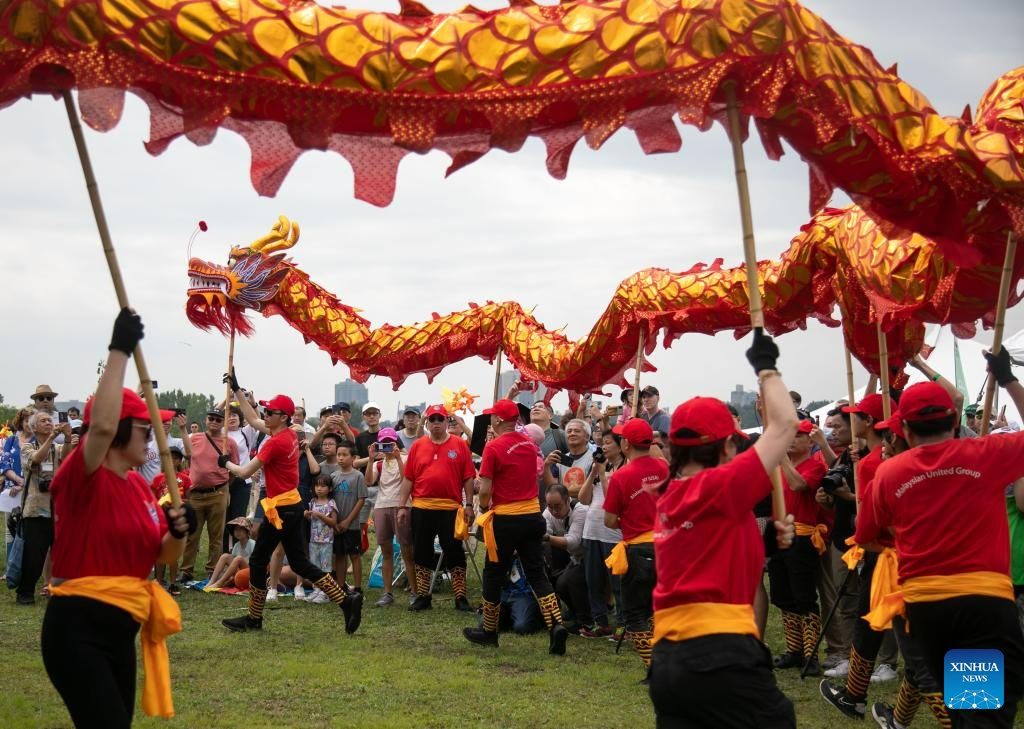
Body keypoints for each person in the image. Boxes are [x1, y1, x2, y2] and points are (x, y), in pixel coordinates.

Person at [853, 351, 1024, 729]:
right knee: (983, 714)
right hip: (982, 603)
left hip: (927, 608)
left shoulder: (888, 473)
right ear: (955, 420)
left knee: (967, 709)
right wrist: (1008, 379)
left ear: (905, 429)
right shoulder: (986, 453)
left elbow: (865, 535)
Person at [41, 309, 191, 728]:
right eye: (145, 428)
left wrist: (179, 530)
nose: (152, 437)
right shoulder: (83, 475)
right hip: (77, 631)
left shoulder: (139, 487)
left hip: (120, 633)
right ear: (120, 431)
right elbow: (101, 427)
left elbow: (164, 555)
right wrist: (119, 349)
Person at [648, 329, 797, 727]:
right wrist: (766, 368)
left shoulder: (669, 498)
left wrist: (767, 539)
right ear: (727, 446)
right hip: (719, 654)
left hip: (669, 659)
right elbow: (785, 424)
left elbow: (710, 545)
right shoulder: (720, 486)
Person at [219, 373, 363, 634]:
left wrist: (225, 462)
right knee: (298, 563)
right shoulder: (287, 435)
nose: (265, 415)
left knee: (258, 559)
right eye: (266, 410)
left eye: (270, 412)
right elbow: (253, 418)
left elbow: (244, 472)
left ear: (283, 417)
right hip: (292, 506)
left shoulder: (274, 443)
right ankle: (345, 600)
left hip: (281, 510)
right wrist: (238, 390)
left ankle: (254, 618)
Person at [463, 399, 569, 655]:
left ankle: (489, 631)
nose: (490, 420)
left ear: (498, 420)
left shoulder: (493, 447)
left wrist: (484, 508)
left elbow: (485, 490)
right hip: (532, 516)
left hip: (506, 519)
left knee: (493, 574)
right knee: (537, 573)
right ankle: (555, 625)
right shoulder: (531, 445)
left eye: (492, 416)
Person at [603, 418, 668, 673]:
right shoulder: (664, 468)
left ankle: (655, 668)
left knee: (635, 616)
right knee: (660, 609)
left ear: (626, 445)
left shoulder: (621, 476)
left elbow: (609, 520)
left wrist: (629, 520)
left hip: (639, 550)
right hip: (669, 547)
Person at [398, 404, 476, 612]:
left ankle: (460, 598)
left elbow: (468, 477)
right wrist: (402, 506)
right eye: (432, 419)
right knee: (421, 551)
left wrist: (469, 504)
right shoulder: (418, 446)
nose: (436, 423)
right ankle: (423, 596)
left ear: (446, 421)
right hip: (422, 507)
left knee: (454, 552)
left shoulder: (459, 445)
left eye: (440, 419)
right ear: (427, 423)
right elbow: (408, 478)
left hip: (450, 508)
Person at [767, 418, 827, 675]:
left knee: (804, 596)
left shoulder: (815, 465)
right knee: (782, 595)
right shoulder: (781, 466)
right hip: (779, 532)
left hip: (801, 535)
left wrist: (782, 459)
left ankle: (811, 654)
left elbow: (798, 485)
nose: (791, 440)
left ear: (810, 441)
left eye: (798, 436)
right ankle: (794, 650)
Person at [17, 409, 70, 604]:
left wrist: (67, 438)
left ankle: (58, 588)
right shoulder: (27, 447)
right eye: (44, 421)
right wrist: (52, 438)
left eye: (50, 420)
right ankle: (25, 593)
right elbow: (36, 459)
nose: (49, 423)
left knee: (60, 552)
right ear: (34, 427)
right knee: (34, 554)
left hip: (57, 508)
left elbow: (67, 457)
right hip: (35, 509)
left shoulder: (57, 448)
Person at [180, 408, 238, 582]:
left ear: (223, 422)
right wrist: (182, 429)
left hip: (218, 492)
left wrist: (224, 487)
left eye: (218, 419)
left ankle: (212, 569)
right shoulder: (195, 438)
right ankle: (186, 570)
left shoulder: (230, 443)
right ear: (205, 420)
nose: (214, 422)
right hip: (195, 494)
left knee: (216, 535)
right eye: (211, 418)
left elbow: (234, 469)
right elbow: (187, 456)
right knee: (192, 534)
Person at [578, 431, 624, 637]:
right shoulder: (598, 467)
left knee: (618, 583)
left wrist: (603, 475)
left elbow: (612, 501)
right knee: (593, 580)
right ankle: (600, 623)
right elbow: (583, 499)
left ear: (621, 446)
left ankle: (623, 624)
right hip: (591, 531)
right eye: (602, 444)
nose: (603, 447)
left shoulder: (624, 469)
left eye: (608, 443)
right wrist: (593, 473)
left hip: (613, 534)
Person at [366, 428, 413, 607]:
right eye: (383, 443)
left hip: (402, 505)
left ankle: (415, 592)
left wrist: (398, 457)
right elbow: (369, 481)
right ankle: (387, 593)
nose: (386, 447)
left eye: (389, 443)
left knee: (407, 550)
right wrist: (371, 459)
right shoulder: (379, 463)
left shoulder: (406, 458)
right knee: (386, 551)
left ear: (396, 443)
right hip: (381, 505)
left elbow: (406, 479)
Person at [543, 484, 589, 629]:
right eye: (550, 506)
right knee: (559, 583)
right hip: (575, 558)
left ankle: (586, 621)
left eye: (558, 506)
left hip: (592, 557)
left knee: (571, 579)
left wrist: (546, 537)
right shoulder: (548, 513)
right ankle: (576, 613)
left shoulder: (580, 511)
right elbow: (544, 530)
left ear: (568, 500)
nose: (554, 511)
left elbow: (573, 543)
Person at [331, 440, 367, 592]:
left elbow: (361, 499)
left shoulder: (358, 476)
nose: (341, 458)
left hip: (351, 526)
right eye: (338, 454)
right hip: (336, 525)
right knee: (339, 555)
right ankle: (341, 587)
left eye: (344, 455)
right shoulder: (333, 476)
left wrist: (347, 521)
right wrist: (334, 523)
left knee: (354, 555)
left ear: (353, 458)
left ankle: (357, 588)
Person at [304, 474, 338, 604]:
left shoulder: (331, 503)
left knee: (325, 567)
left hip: (326, 541)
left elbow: (333, 522)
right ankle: (317, 589)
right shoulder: (312, 502)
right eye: (317, 486)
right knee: (315, 566)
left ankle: (326, 592)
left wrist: (320, 515)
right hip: (313, 540)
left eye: (323, 486)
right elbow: (311, 520)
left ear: (330, 489)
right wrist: (307, 515)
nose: (319, 488)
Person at [542, 419, 593, 496]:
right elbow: (552, 488)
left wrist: (561, 493)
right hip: (564, 503)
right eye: (569, 431)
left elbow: (591, 488)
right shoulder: (559, 459)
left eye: (577, 431)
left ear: (587, 437)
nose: (572, 433)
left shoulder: (594, 459)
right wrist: (546, 465)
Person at [206, 517, 255, 591]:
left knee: (238, 558)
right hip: (239, 573)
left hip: (250, 574)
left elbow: (255, 565)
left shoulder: (252, 544)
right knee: (225, 556)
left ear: (247, 531)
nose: (238, 532)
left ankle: (219, 583)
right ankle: (212, 581)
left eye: (240, 529)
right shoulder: (236, 545)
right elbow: (233, 565)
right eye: (236, 529)